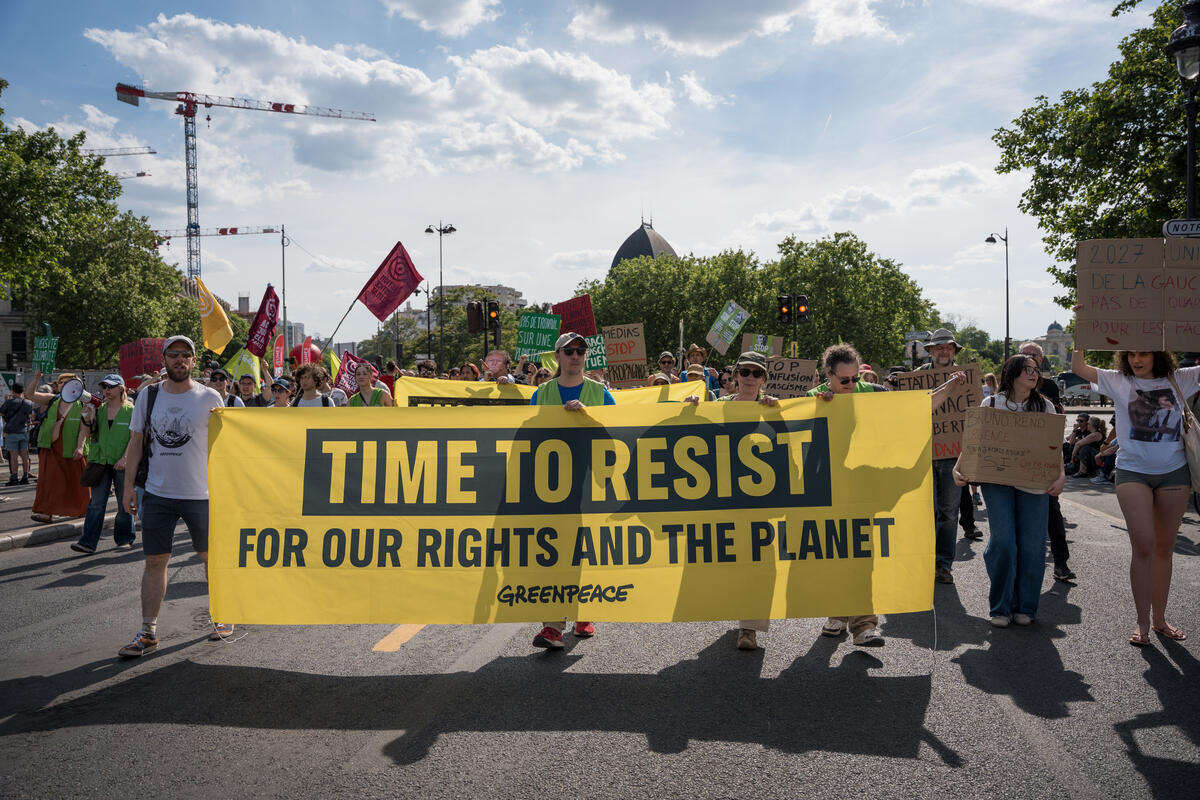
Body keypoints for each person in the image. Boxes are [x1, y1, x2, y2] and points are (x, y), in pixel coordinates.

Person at [809, 344, 965, 646]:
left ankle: (864, 624)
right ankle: (837, 614)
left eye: (856, 378)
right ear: (828, 376)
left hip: (865, 488)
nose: (852, 386)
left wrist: (948, 389)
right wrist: (818, 406)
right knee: (835, 554)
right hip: (828, 490)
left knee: (862, 555)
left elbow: (915, 408)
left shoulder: (874, 393)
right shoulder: (812, 400)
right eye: (845, 381)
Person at [1071, 347, 1199, 646]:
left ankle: (1160, 620)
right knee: (1143, 545)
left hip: (1174, 473)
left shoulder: (1181, 378)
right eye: (1130, 354)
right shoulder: (1118, 380)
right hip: (1132, 472)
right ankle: (1142, 623)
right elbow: (1078, 366)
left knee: (1165, 549)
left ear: (1159, 354)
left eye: (1143, 353)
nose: (1136, 360)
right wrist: (1084, 330)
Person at [118, 335, 231, 657]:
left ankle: (222, 616)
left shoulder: (210, 397)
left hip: (202, 494)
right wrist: (128, 488)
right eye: (173, 355)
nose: (179, 360)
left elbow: (226, 447)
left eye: (185, 355)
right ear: (164, 360)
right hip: (157, 493)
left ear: (194, 361)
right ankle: (147, 631)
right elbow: (136, 442)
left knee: (211, 558)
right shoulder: (148, 396)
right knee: (155, 561)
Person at [955, 354, 1064, 627]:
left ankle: (1025, 605)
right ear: (1012, 372)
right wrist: (960, 468)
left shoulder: (1046, 406)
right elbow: (974, 442)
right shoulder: (991, 403)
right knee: (1003, 541)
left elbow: (1054, 447)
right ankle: (1001, 606)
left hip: (1035, 484)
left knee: (1031, 545)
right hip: (997, 481)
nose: (1033, 374)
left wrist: (1061, 475)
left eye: (1036, 370)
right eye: (1027, 369)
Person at [684, 352, 779, 650]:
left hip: (761, 499)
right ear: (735, 375)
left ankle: (748, 628)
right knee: (730, 562)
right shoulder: (718, 407)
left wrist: (778, 415)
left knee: (760, 563)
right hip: (723, 498)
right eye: (745, 372)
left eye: (757, 373)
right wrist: (692, 411)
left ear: (764, 379)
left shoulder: (772, 408)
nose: (750, 378)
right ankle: (737, 609)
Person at [528, 332, 615, 649]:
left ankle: (583, 613)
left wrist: (586, 417)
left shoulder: (599, 392)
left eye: (580, 351)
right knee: (553, 552)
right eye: (569, 351)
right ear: (558, 356)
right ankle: (552, 626)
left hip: (591, 484)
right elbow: (530, 437)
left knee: (585, 550)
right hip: (552, 486)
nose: (575, 355)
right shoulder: (543, 393)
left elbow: (616, 433)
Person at [916, 329, 968, 584]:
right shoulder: (917, 378)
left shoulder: (967, 377)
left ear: (954, 351)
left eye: (948, 347)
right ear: (931, 351)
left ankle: (943, 564)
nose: (944, 351)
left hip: (952, 455)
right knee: (924, 511)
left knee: (949, 512)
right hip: (923, 453)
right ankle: (922, 562)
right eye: (938, 347)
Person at [1020, 341, 1073, 583]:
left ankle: (1060, 562)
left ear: (1041, 361)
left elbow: (1055, 421)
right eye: (1024, 355)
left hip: (1043, 456)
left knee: (1052, 509)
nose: (1029, 358)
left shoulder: (1049, 387)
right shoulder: (1010, 380)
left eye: (1034, 355)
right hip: (1017, 458)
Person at [72, 375, 135, 554]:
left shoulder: (131, 410)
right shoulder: (99, 409)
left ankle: (124, 538)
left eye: (111, 387)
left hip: (122, 462)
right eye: (104, 386)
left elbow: (135, 438)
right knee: (96, 503)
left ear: (121, 389)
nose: (107, 390)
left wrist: (125, 458)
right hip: (100, 461)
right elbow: (88, 430)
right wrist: (87, 418)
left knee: (125, 502)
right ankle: (88, 542)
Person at [28, 372, 91, 524]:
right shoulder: (52, 399)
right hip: (51, 447)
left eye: (69, 382)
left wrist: (80, 447)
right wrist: (36, 378)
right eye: (61, 382)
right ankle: (46, 512)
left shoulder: (82, 403)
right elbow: (29, 394)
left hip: (73, 449)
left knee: (77, 483)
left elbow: (85, 428)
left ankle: (82, 510)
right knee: (49, 481)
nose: (64, 384)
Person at [1, 382, 35, 485]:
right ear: (23, 390)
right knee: (25, 456)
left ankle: (14, 477)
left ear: (12, 390)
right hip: (24, 432)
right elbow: (30, 416)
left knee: (14, 456)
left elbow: (2, 413)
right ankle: (25, 476)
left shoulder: (8, 402)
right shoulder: (28, 403)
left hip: (12, 432)